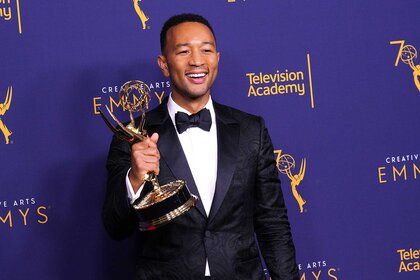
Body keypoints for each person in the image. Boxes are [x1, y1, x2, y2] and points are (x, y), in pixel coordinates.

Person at [102, 13, 299, 280]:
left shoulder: (252, 130)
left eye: (206, 50)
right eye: (183, 51)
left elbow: (272, 222)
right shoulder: (133, 137)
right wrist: (135, 179)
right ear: (163, 64)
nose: (197, 60)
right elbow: (116, 228)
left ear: (217, 58)